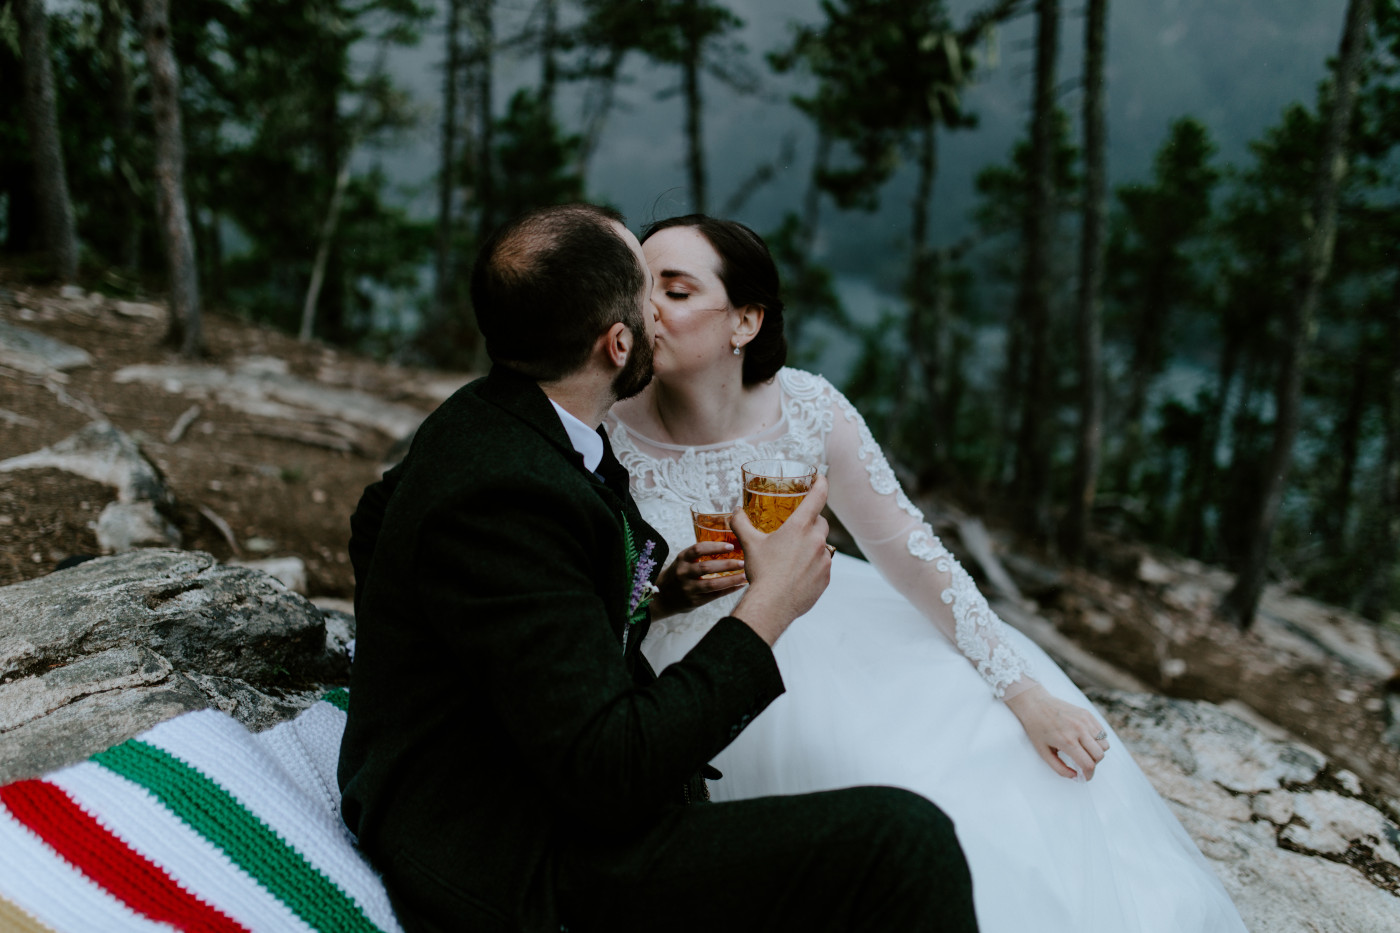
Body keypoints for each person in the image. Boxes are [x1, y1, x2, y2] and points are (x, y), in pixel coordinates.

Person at [337, 203, 980, 933]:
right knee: (903, 843)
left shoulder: (492, 417)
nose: (661, 316)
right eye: (650, 297)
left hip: (536, 791)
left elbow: (378, 527)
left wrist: (624, 607)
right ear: (618, 344)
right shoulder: (507, 493)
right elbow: (610, 773)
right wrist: (769, 603)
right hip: (517, 859)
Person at [607, 214, 1250, 933]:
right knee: (845, 772)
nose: (648, 307)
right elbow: (591, 591)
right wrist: (660, 599)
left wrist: (1021, 688)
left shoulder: (810, 407)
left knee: (984, 750)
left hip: (831, 625)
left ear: (745, 320)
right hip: (696, 665)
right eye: (641, 286)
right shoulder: (605, 427)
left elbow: (910, 551)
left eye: (678, 289)